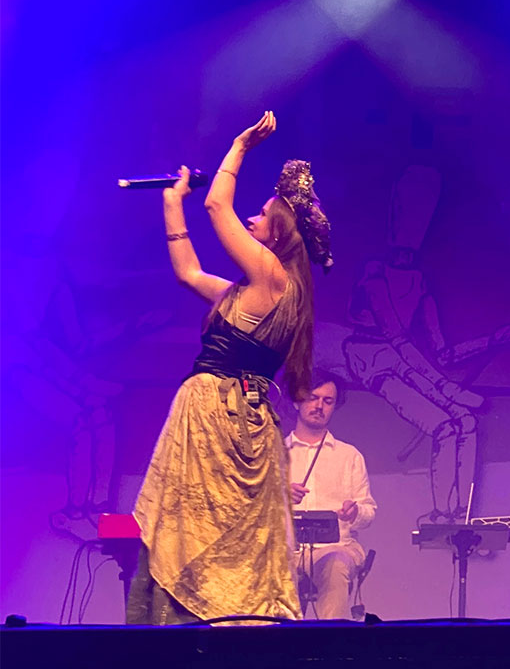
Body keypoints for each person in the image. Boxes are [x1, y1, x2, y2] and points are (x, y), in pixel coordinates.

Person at [128, 112, 334, 624]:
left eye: (261, 216)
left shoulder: (270, 274)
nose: (251, 220)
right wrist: (172, 205)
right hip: (238, 416)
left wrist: (240, 147)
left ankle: (187, 629)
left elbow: (218, 203)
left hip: (216, 413)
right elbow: (188, 272)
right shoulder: (254, 292)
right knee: (230, 541)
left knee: (194, 527)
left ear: (281, 233)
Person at [286, 372, 376, 620]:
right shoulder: (274, 454)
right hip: (285, 549)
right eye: (312, 398)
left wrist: (355, 512)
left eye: (328, 401)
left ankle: (332, 644)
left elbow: (368, 511)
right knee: (276, 570)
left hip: (335, 547)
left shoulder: (349, 456)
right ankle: (280, 645)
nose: (319, 406)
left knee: (336, 565)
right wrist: (280, 497)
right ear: (297, 401)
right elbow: (254, 508)